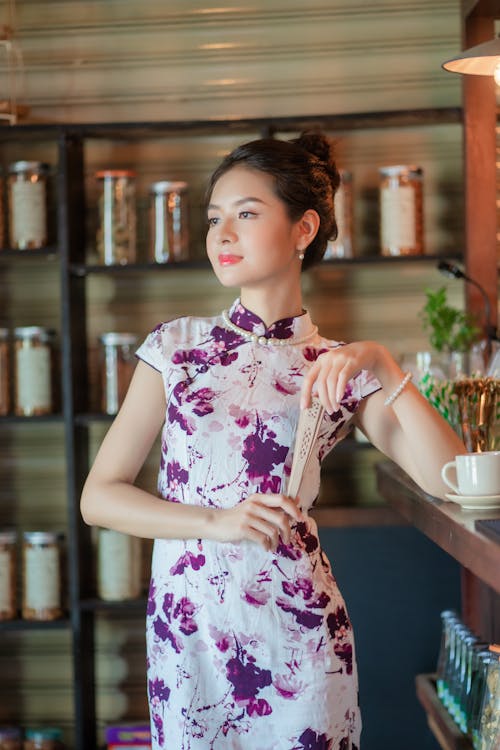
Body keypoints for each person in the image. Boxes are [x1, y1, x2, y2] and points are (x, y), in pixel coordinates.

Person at [80, 131, 466, 750]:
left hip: (300, 639)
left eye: (247, 213)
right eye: (214, 218)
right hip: (191, 639)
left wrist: (386, 370)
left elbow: (452, 479)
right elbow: (98, 498)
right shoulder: (175, 349)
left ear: (303, 229)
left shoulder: (338, 366)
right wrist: (217, 521)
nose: (222, 234)